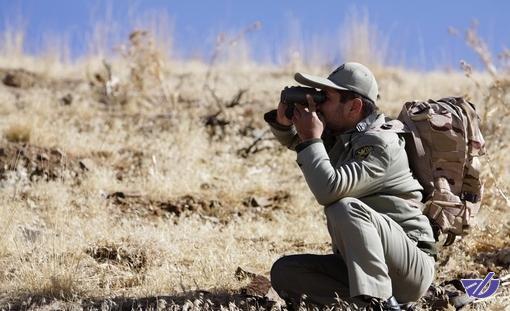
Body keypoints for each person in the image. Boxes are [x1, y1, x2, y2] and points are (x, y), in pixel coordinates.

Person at [264, 62, 436, 310]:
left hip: (409, 267)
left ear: (354, 106)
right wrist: (284, 123)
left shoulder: (380, 144)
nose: (318, 103)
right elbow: (301, 142)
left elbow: (329, 188)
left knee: (343, 207)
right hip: (363, 264)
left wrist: (311, 138)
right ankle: (363, 301)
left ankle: (383, 304)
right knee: (286, 272)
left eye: (326, 97)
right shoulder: (346, 135)